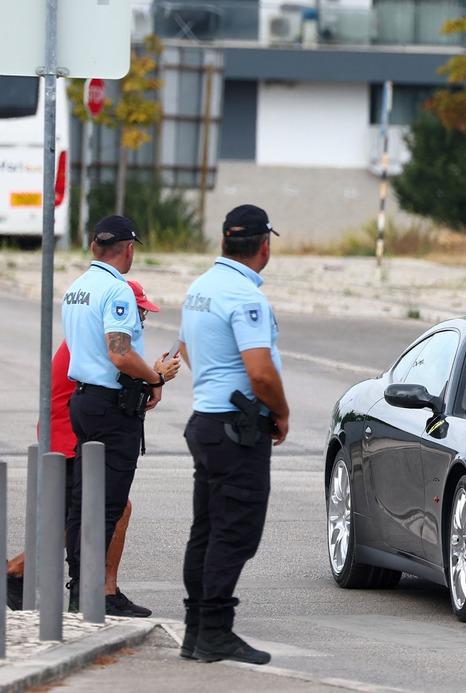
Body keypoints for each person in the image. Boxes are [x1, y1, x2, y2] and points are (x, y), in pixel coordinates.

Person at [8, 280, 179, 615]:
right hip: (68, 431)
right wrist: (156, 376)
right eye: (140, 312)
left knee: (82, 513)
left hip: (68, 427)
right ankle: (100, 590)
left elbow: (124, 391)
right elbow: (119, 387)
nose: (141, 319)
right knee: (104, 510)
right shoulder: (102, 340)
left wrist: (152, 377)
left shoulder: (91, 336)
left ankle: (23, 573)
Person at [177, 204, 289, 665]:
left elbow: (186, 347)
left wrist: (214, 380)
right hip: (237, 430)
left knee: (206, 530)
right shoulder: (246, 297)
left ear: (224, 241)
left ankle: (195, 632)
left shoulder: (200, 288)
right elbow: (260, 373)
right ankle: (215, 633)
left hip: (207, 421)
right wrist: (280, 411)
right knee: (234, 532)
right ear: (264, 246)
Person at [61, 217, 177, 614]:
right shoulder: (117, 290)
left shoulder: (77, 288)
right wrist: (154, 377)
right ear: (128, 249)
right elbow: (120, 352)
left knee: (83, 500)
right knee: (107, 504)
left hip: (83, 400)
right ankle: (92, 594)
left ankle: (80, 589)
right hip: (111, 407)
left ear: (94, 246)